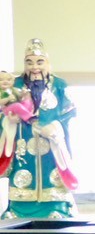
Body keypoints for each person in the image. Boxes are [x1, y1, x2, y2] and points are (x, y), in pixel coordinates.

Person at [0, 39, 80, 220]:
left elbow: (70, 113)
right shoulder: (15, 84)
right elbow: (3, 109)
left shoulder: (59, 86)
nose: (34, 67)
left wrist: (55, 127)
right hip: (22, 143)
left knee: (52, 175)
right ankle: (18, 209)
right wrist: (9, 120)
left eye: (39, 62)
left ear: (47, 63)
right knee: (23, 175)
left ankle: (56, 208)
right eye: (29, 62)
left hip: (51, 146)